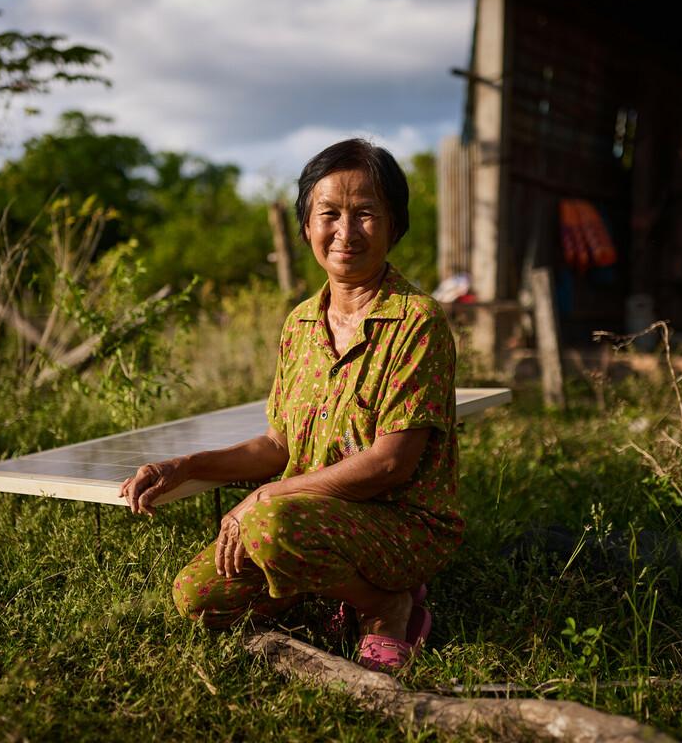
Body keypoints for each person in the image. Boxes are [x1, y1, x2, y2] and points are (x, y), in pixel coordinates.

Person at [119, 138, 462, 671]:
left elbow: (391, 463)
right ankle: (328, 585)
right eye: (329, 214)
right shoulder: (300, 323)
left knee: (270, 524)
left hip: (402, 526)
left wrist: (265, 499)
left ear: (395, 226)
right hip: (309, 517)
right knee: (198, 596)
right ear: (306, 226)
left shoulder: (418, 320)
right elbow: (280, 444)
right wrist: (186, 466)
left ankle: (387, 605)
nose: (345, 233)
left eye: (366, 213)